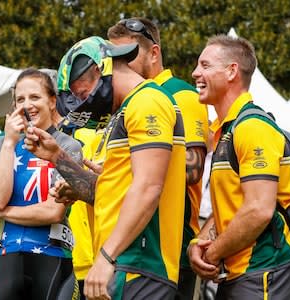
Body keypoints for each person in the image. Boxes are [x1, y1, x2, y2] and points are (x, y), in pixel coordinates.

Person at [24, 36, 186, 299]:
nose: (83, 102)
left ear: (99, 69)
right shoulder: (125, 110)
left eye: (82, 92)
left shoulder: (147, 102)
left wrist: (106, 256)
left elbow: (148, 187)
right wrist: (56, 156)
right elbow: (113, 193)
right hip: (125, 264)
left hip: (140, 264)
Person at [107, 17, 209, 300]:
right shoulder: (128, 100)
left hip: (171, 248)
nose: (119, 64)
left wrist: (140, 165)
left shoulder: (181, 94)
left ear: (154, 53)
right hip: (133, 245)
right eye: (114, 57)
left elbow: (193, 169)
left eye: (128, 55)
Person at [189, 34, 290, 299]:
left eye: (205, 65)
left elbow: (258, 209)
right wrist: (197, 243)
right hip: (241, 275)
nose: (195, 73)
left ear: (231, 71)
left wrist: (212, 252)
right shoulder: (227, 130)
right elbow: (232, 207)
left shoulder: (252, 127)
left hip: (266, 271)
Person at [0, 68, 83, 300]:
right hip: (8, 258)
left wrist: (2, 211)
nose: (27, 105)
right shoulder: (3, 145)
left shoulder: (67, 146)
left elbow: (52, 211)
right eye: (20, 99)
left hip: (51, 258)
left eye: (35, 97)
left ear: (52, 101)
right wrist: (9, 142)